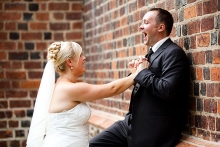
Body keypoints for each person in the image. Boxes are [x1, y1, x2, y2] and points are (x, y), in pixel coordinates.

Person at [89, 8, 190, 147]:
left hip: (153, 130)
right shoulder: (153, 52)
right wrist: (135, 74)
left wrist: (142, 73)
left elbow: (168, 90)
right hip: (131, 123)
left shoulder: (173, 53)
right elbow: (146, 81)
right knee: (94, 144)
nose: (140, 26)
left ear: (161, 27)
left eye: (146, 22)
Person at [26, 41, 145, 147]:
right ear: (69, 62)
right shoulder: (70, 89)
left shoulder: (61, 86)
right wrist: (140, 72)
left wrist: (134, 75)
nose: (84, 58)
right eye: (80, 55)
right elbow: (112, 89)